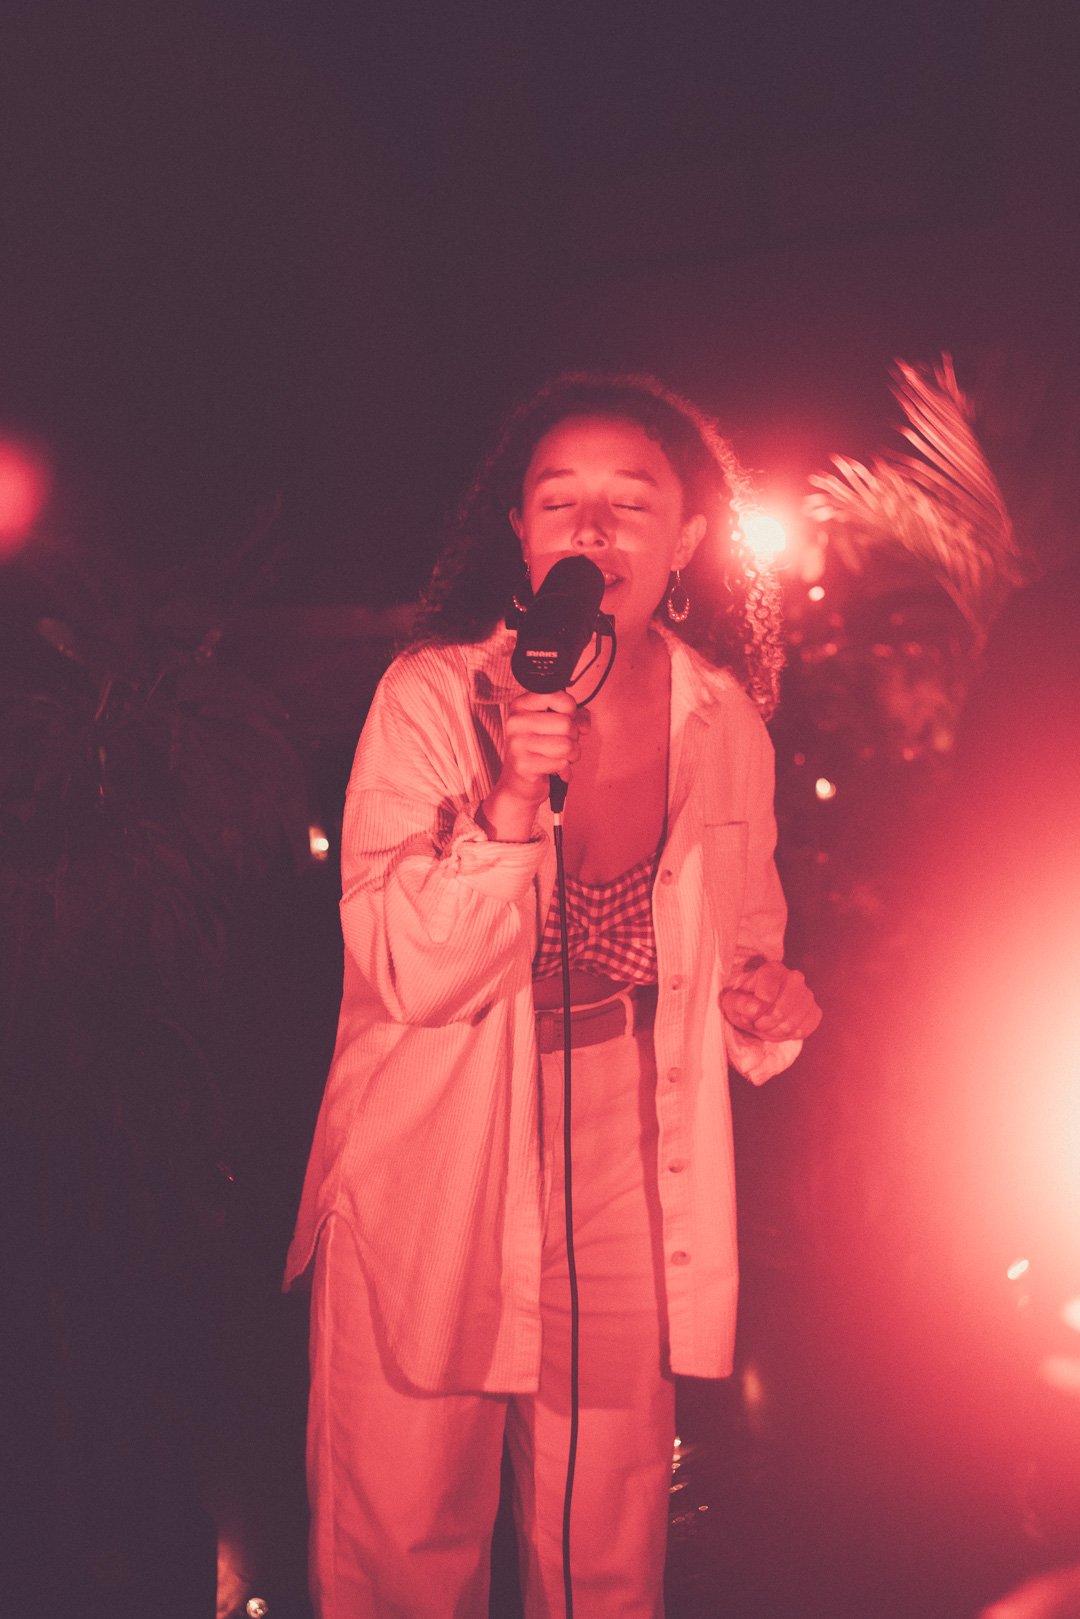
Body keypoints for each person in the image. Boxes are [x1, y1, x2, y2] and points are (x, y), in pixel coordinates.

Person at [284, 372, 822, 1617]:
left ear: (687, 539)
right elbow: (407, 963)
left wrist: (762, 1003)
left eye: (630, 502)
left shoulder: (724, 719)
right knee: (403, 1533)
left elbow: (746, 942)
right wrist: (514, 801)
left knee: (606, 1531)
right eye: (559, 499)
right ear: (520, 535)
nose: (592, 527)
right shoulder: (433, 696)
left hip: (628, 1149)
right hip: (437, 1145)